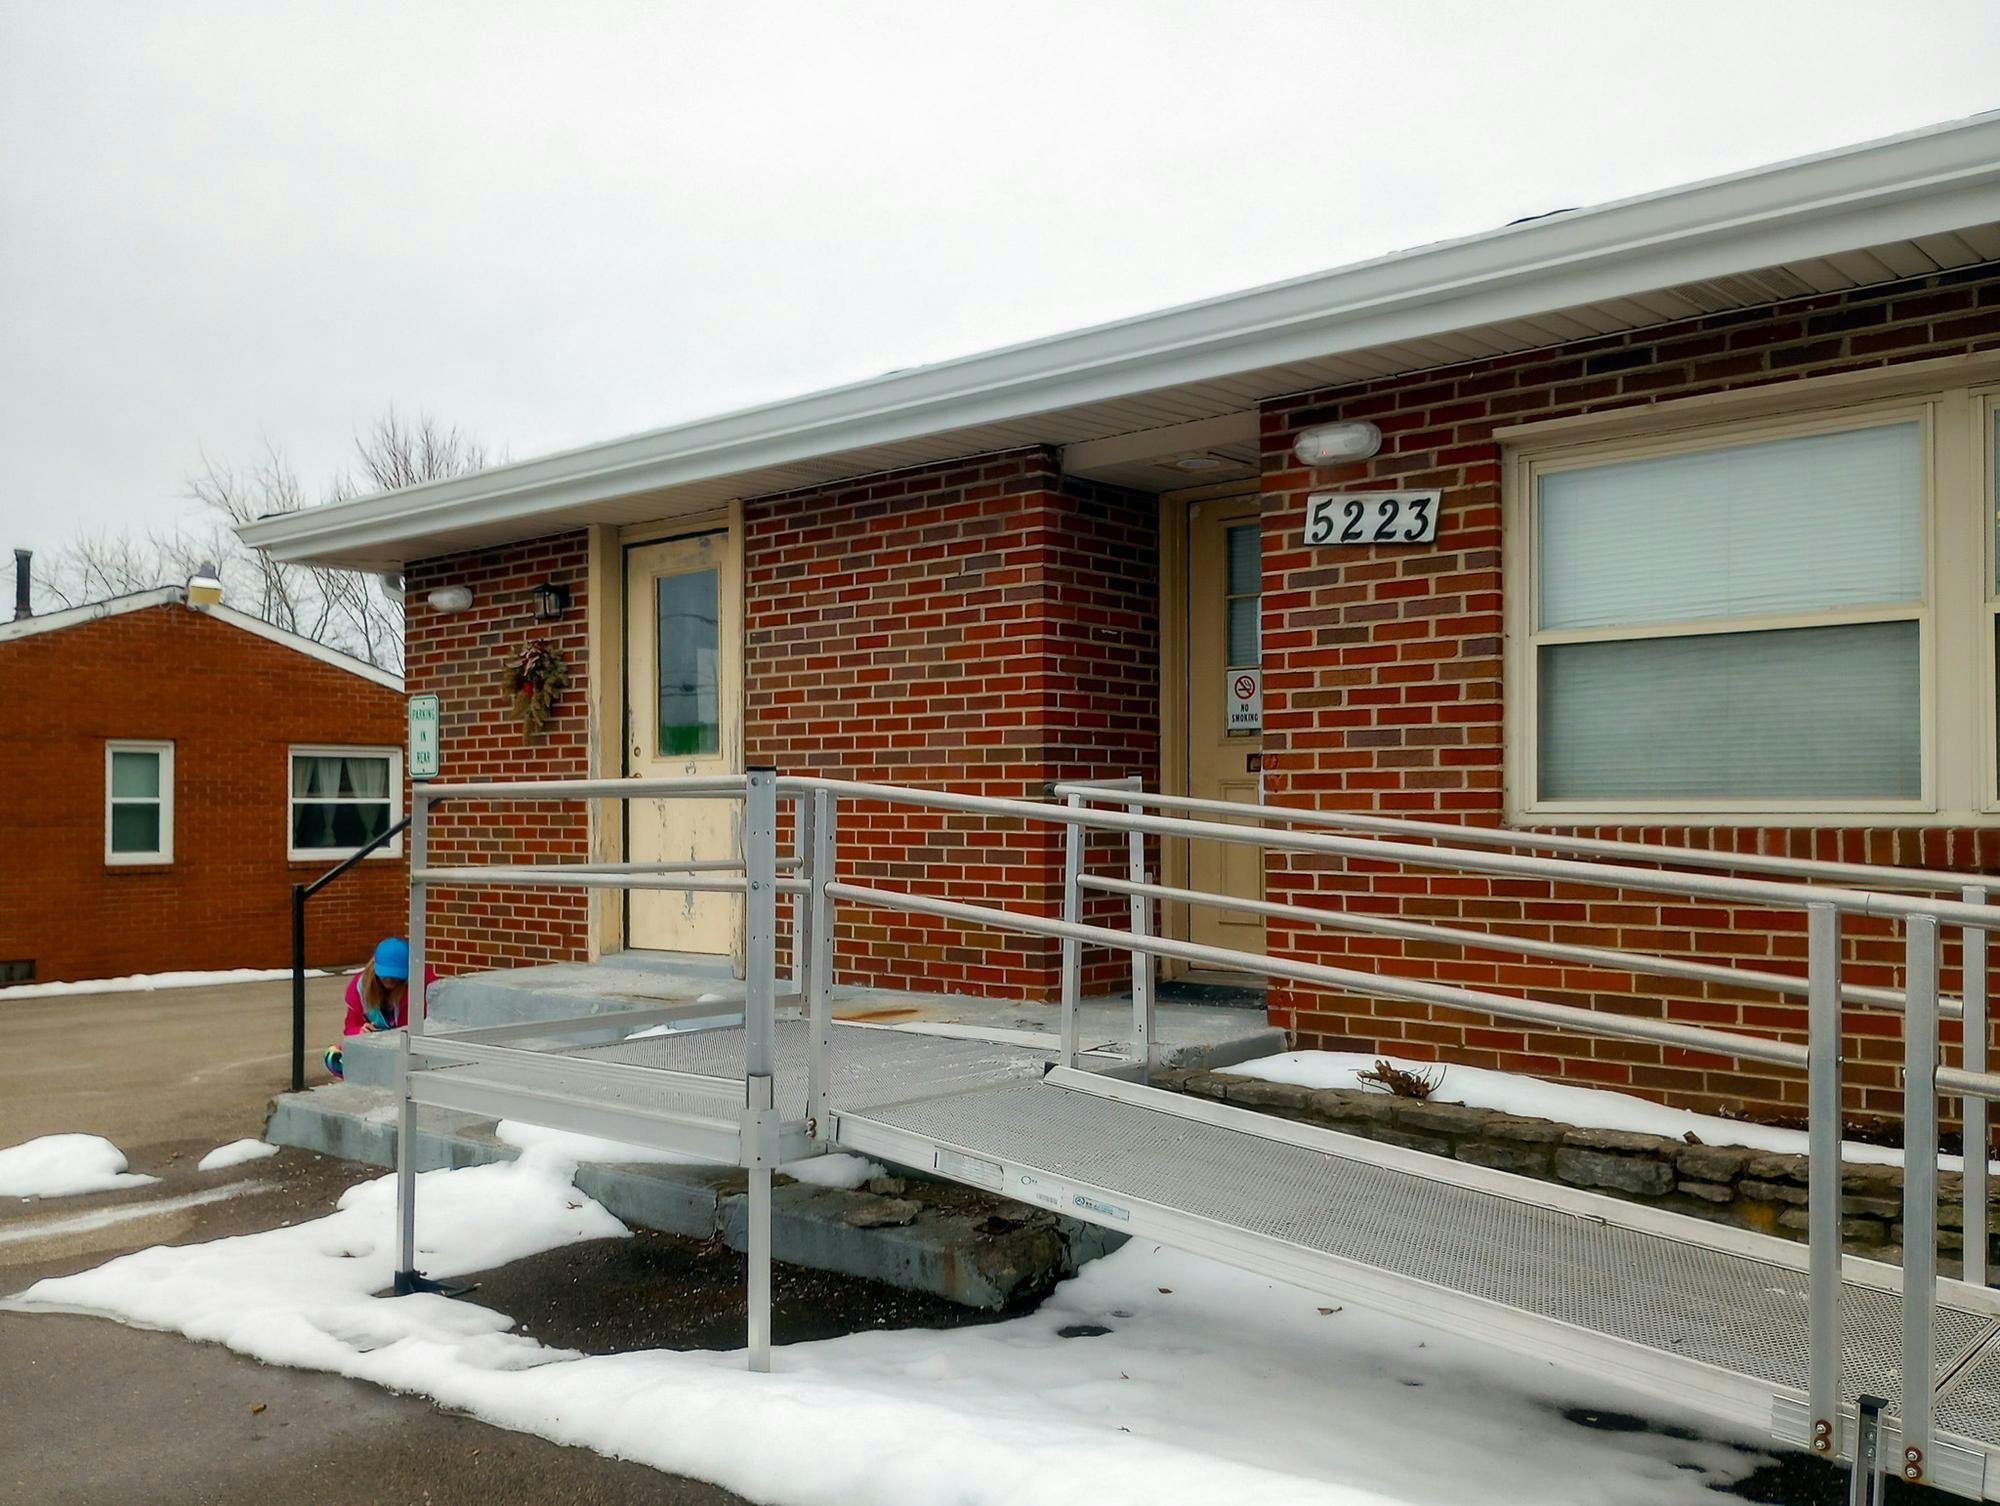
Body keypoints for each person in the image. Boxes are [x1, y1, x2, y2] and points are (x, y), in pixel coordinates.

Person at [323, 937, 435, 1080]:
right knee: (333, 1055)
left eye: (396, 975)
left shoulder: (422, 985)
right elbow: (350, 1027)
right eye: (385, 975)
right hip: (375, 1043)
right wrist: (360, 1031)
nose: (390, 979)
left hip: (406, 1046)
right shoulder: (360, 988)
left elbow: (430, 1024)